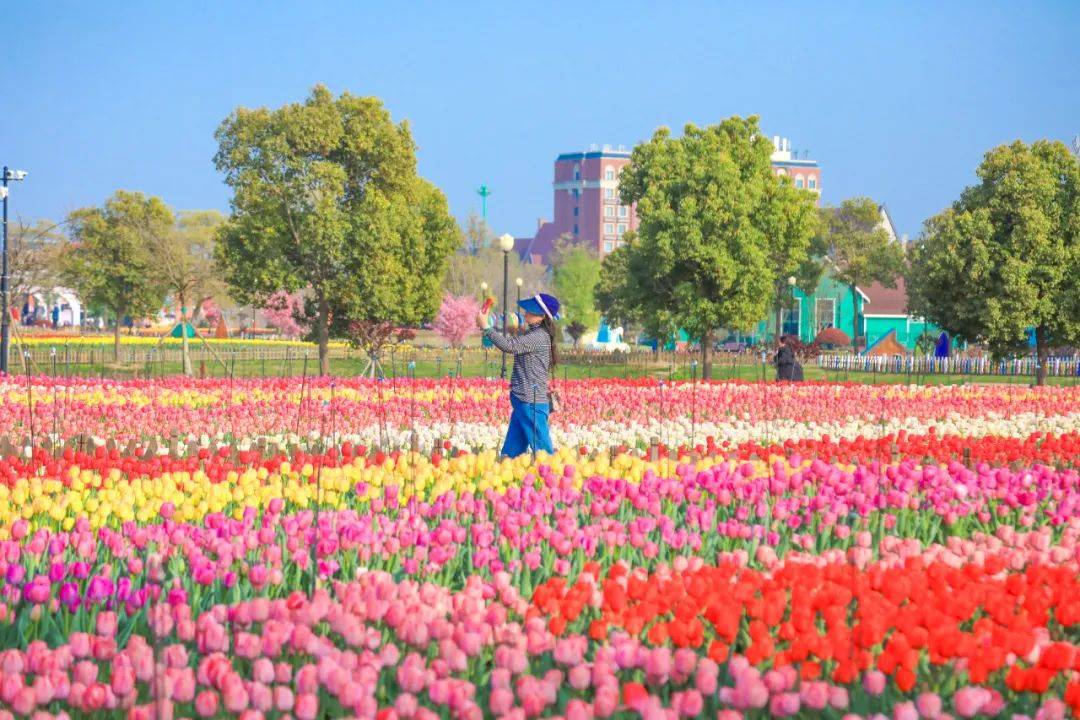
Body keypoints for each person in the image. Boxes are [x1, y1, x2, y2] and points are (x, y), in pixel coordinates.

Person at [477, 292, 560, 458]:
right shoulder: (535, 334)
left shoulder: (538, 336)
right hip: (524, 400)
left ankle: (554, 482)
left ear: (542, 316)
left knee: (544, 454)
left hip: (531, 402)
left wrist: (487, 327)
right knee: (511, 454)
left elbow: (510, 346)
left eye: (531, 311)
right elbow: (516, 344)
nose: (525, 313)